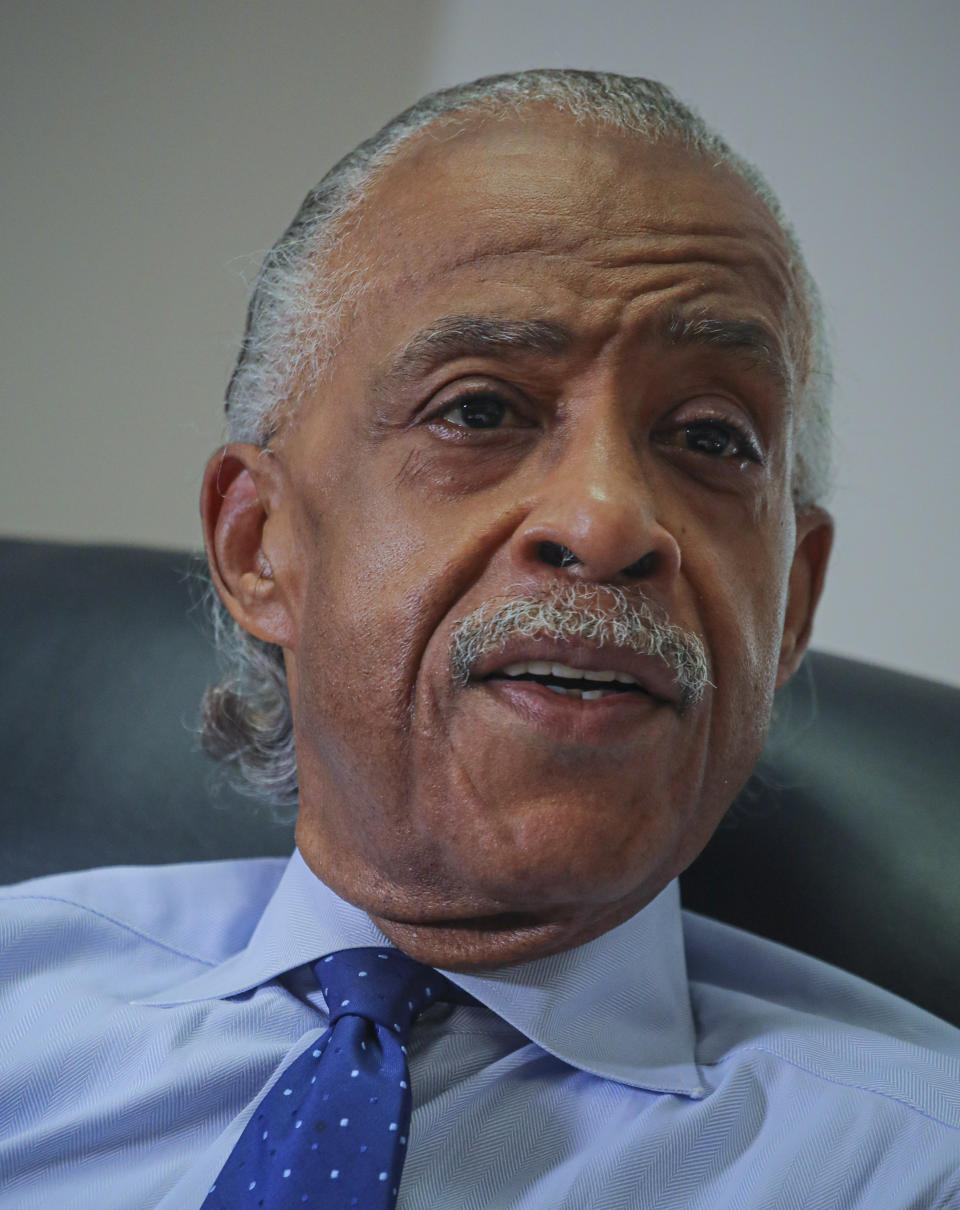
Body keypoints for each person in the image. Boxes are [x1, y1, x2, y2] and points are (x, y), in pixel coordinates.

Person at [1, 69, 957, 1210]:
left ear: (790, 603)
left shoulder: (907, 1166)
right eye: (480, 409)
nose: (607, 522)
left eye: (713, 436)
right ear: (261, 544)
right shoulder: (23, 1001)